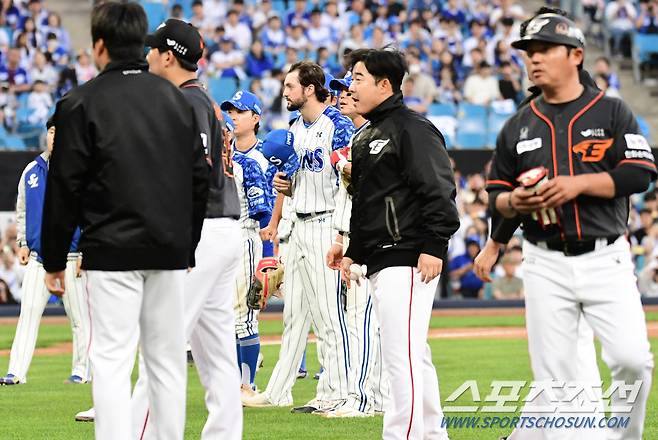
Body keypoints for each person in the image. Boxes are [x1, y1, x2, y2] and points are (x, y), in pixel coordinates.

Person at [40, 4, 209, 440]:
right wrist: (187, 245)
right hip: (169, 250)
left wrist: (54, 259)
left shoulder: (79, 102)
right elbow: (199, 177)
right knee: (166, 362)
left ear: (99, 46)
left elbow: (64, 186)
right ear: (142, 44)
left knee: (112, 361)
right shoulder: (178, 99)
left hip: (111, 250)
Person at [486, 10, 654, 439]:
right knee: (558, 384)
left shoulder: (611, 110)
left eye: (544, 49)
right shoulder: (517, 124)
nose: (534, 59)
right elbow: (497, 196)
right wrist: (512, 204)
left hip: (606, 257)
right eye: (528, 51)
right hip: (544, 261)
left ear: (576, 55)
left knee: (633, 361)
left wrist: (578, 184)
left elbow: (640, 173)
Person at [129, 18, 243, 440]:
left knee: (162, 343)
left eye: (153, 48)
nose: (147, 55)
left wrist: (181, 236)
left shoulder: (189, 101)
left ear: (169, 55)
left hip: (203, 229)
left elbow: (195, 171)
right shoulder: (200, 99)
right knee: (216, 356)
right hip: (220, 227)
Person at [341, 47, 459, 440]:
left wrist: (434, 245)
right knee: (413, 356)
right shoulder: (366, 135)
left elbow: (439, 191)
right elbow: (366, 206)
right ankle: (432, 435)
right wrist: (353, 253)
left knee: (400, 358)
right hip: (382, 258)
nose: (351, 85)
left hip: (408, 255)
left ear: (384, 84)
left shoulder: (413, 128)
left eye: (358, 77)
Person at [242, 61, 354, 414]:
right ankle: (279, 391)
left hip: (326, 225)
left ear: (309, 88)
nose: (285, 92)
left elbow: (350, 180)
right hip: (298, 225)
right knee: (294, 316)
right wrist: (283, 188)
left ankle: (335, 392)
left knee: (328, 316)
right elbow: (290, 182)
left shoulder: (337, 124)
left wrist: (344, 233)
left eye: (291, 86)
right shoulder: (294, 128)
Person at [1, 117, 89, 386]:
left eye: (60, 132)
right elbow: (23, 210)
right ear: (46, 135)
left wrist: (86, 251)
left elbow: (91, 213)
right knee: (28, 313)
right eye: (51, 131)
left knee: (79, 318)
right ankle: (16, 372)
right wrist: (24, 242)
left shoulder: (81, 170)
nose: (55, 137)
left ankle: (81, 371)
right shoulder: (31, 171)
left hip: (73, 256)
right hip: (39, 258)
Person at [323, 71, 387, 418]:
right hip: (354, 238)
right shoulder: (359, 140)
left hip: (372, 242)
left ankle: (362, 400)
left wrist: (351, 244)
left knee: (364, 321)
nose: (341, 96)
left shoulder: (373, 139)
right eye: (338, 91)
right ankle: (371, 397)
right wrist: (339, 238)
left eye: (348, 89)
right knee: (366, 323)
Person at [219, 90, 275, 398]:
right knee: (224, 316)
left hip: (247, 235)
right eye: (230, 111)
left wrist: (268, 257)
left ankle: (248, 384)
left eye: (239, 111)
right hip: (221, 238)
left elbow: (264, 214)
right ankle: (235, 380)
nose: (233, 116)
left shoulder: (259, 158)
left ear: (255, 118)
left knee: (244, 314)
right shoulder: (225, 157)